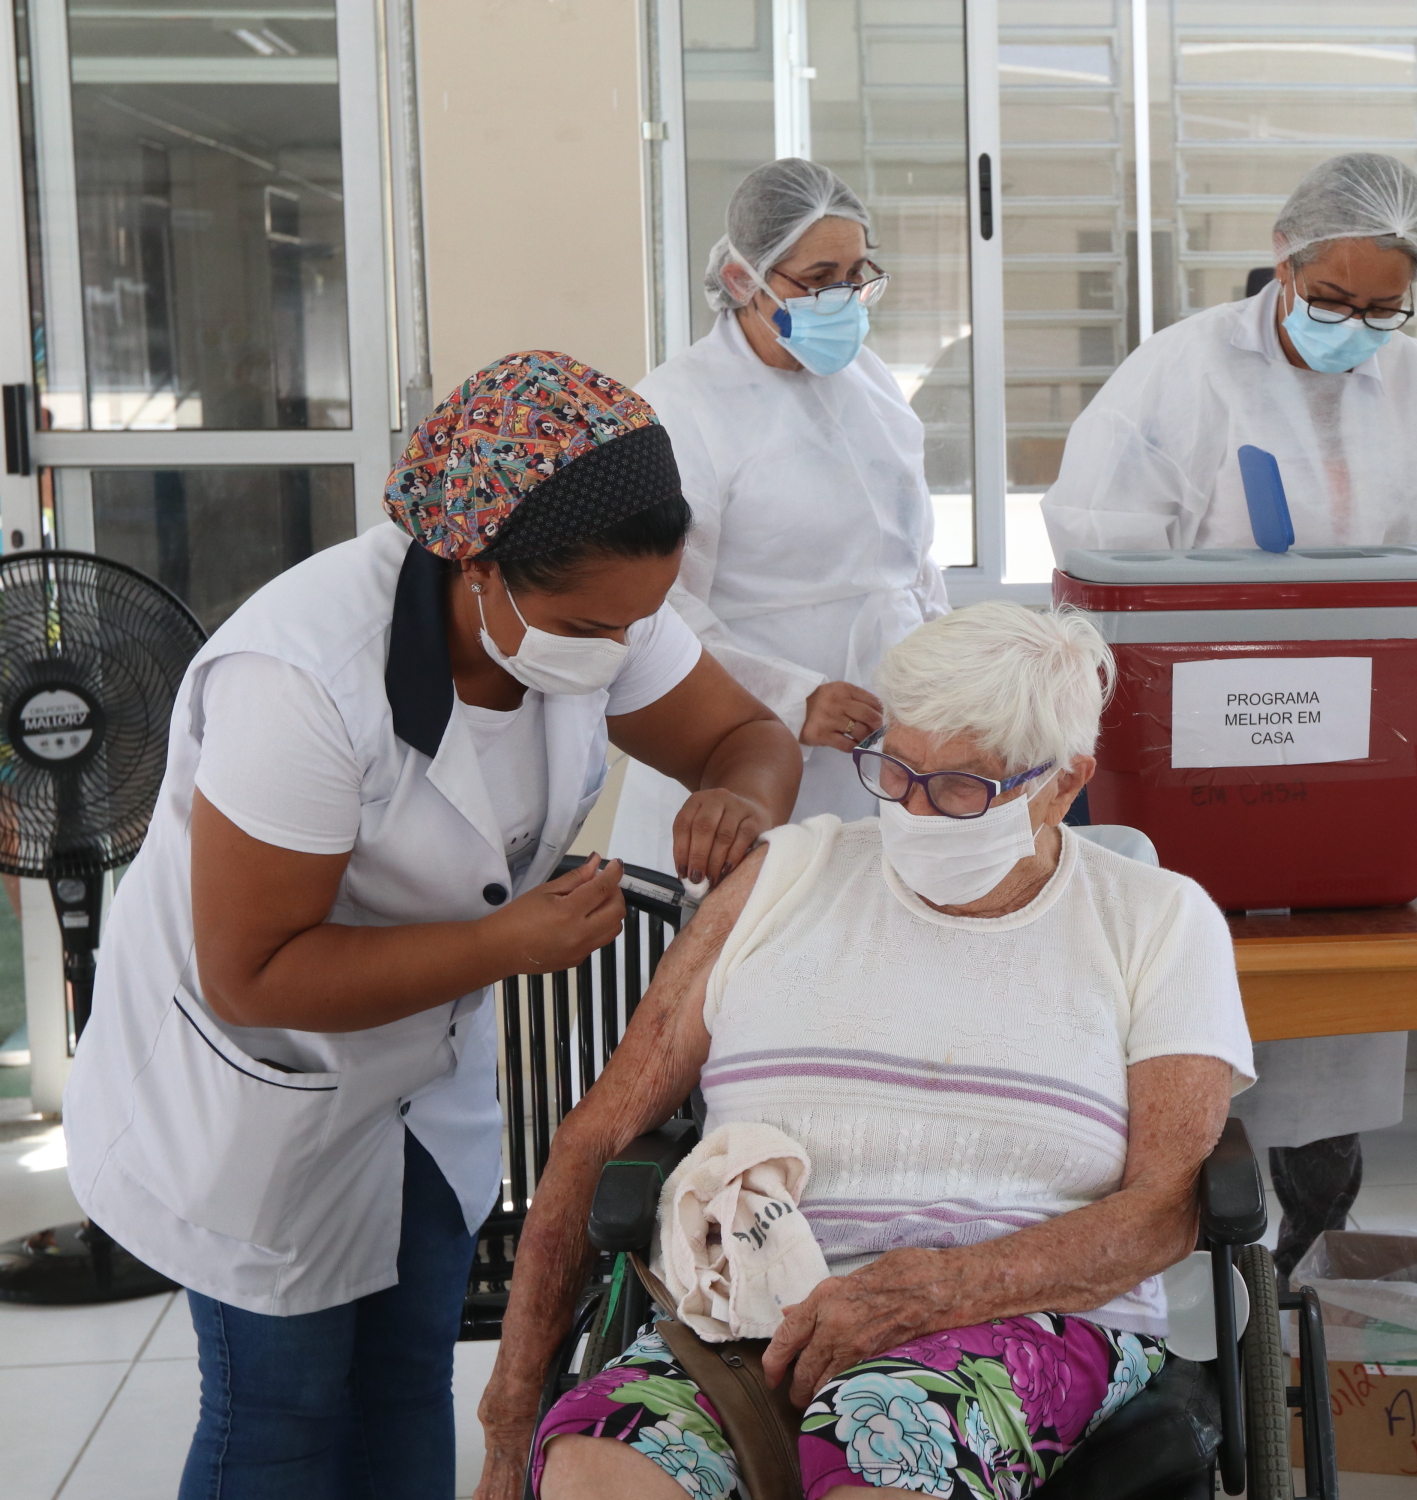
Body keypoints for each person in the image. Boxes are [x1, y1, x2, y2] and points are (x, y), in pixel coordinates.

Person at [63, 351, 805, 1497]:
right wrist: (508, 948)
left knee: (411, 1379)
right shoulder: (303, 677)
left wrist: (738, 799)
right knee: (286, 1410)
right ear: (475, 564)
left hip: (420, 1080)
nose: (615, 653)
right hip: (261, 1079)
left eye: (638, 621)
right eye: (587, 624)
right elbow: (254, 973)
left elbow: (745, 738)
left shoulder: (597, 610)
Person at [471, 602, 1256, 1500]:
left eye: (961, 788)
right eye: (896, 770)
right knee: (595, 1465)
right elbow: (596, 1134)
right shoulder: (786, 877)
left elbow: (1163, 1212)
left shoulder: (1154, 918)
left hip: (1031, 1314)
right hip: (750, 1313)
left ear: (1063, 785)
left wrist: (933, 1290)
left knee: (880, 1443)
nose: (915, 810)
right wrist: (508, 1421)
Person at [1040, 150, 1417, 1274]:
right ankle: (1182, 1279)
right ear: (1284, 263)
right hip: (1191, 758)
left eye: (1382, 306)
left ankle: (1311, 1274)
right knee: (1185, 1027)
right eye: (1333, 298)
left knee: (1338, 1030)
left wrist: (1366, 666)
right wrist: (1244, 646)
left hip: (1357, 755)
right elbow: (1098, 561)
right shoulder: (1179, 377)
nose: (1355, 323)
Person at [612, 158, 949, 869]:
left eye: (860, 274)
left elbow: (909, 561)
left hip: (888, 745)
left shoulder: (870, 382)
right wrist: (792, 699)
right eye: (821, 278)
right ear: (743, 281)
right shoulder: (678, 408)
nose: (847, 297)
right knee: (745, 954)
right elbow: (653, 609)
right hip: (742, 756)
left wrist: (946, 674)